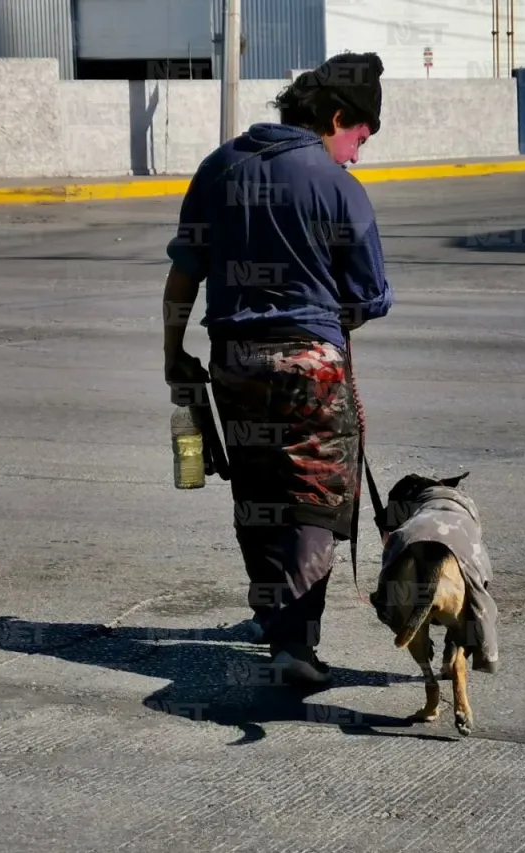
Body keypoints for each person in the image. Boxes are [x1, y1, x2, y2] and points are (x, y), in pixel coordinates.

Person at [162, 52, 394, 687]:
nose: (359, 154)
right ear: (339, 117)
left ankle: (275, 621)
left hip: (233, 360)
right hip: (311, 366)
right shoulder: (338, 185)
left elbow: (187, 269)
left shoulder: (219, 167)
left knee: (258, 493)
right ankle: (295, 642)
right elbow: (370, 294)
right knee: (314, 498)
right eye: (361, 137)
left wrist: (172, 352)